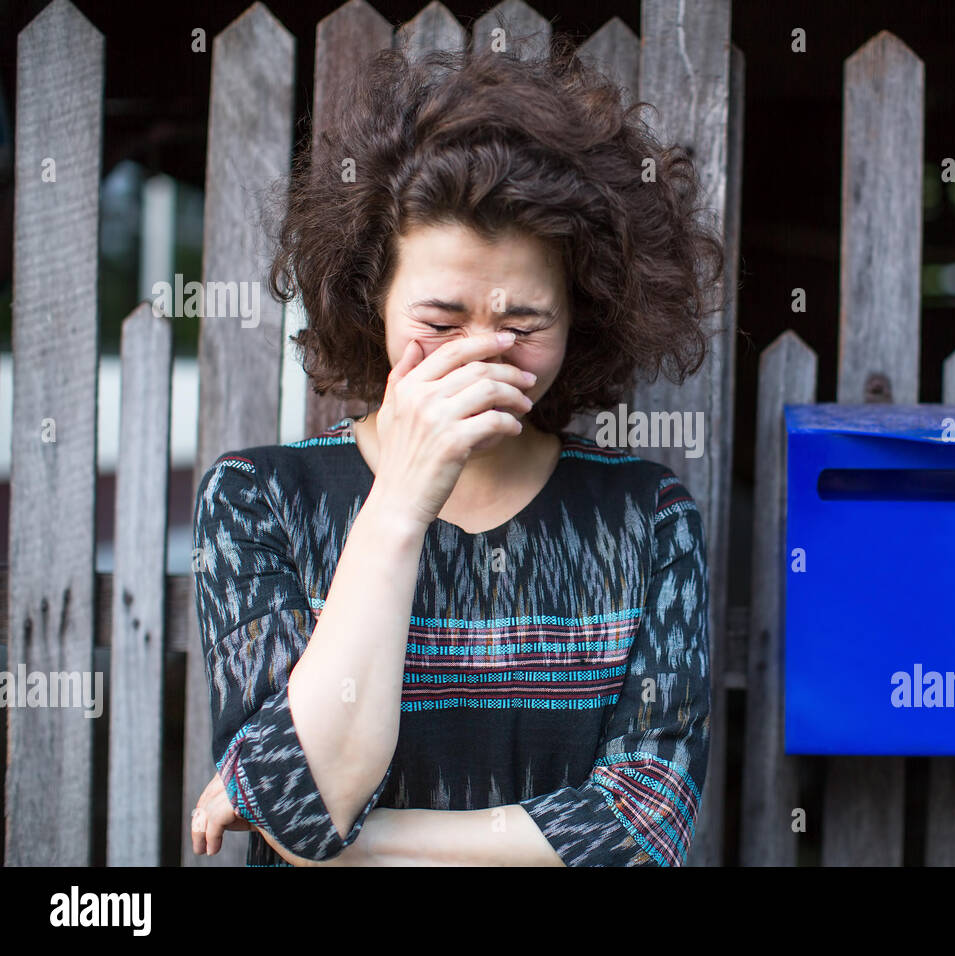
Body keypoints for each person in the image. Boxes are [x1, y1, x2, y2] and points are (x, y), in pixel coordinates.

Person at [186, 36, 724, 866]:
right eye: (440, 324)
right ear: (373, 302)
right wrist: (399, 503)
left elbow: (642, 829)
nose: (482, 355)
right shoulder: (258, 499)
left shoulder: (648, 519)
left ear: (581, 315)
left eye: (522, 325)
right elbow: (309, 797)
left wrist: (349, 843)